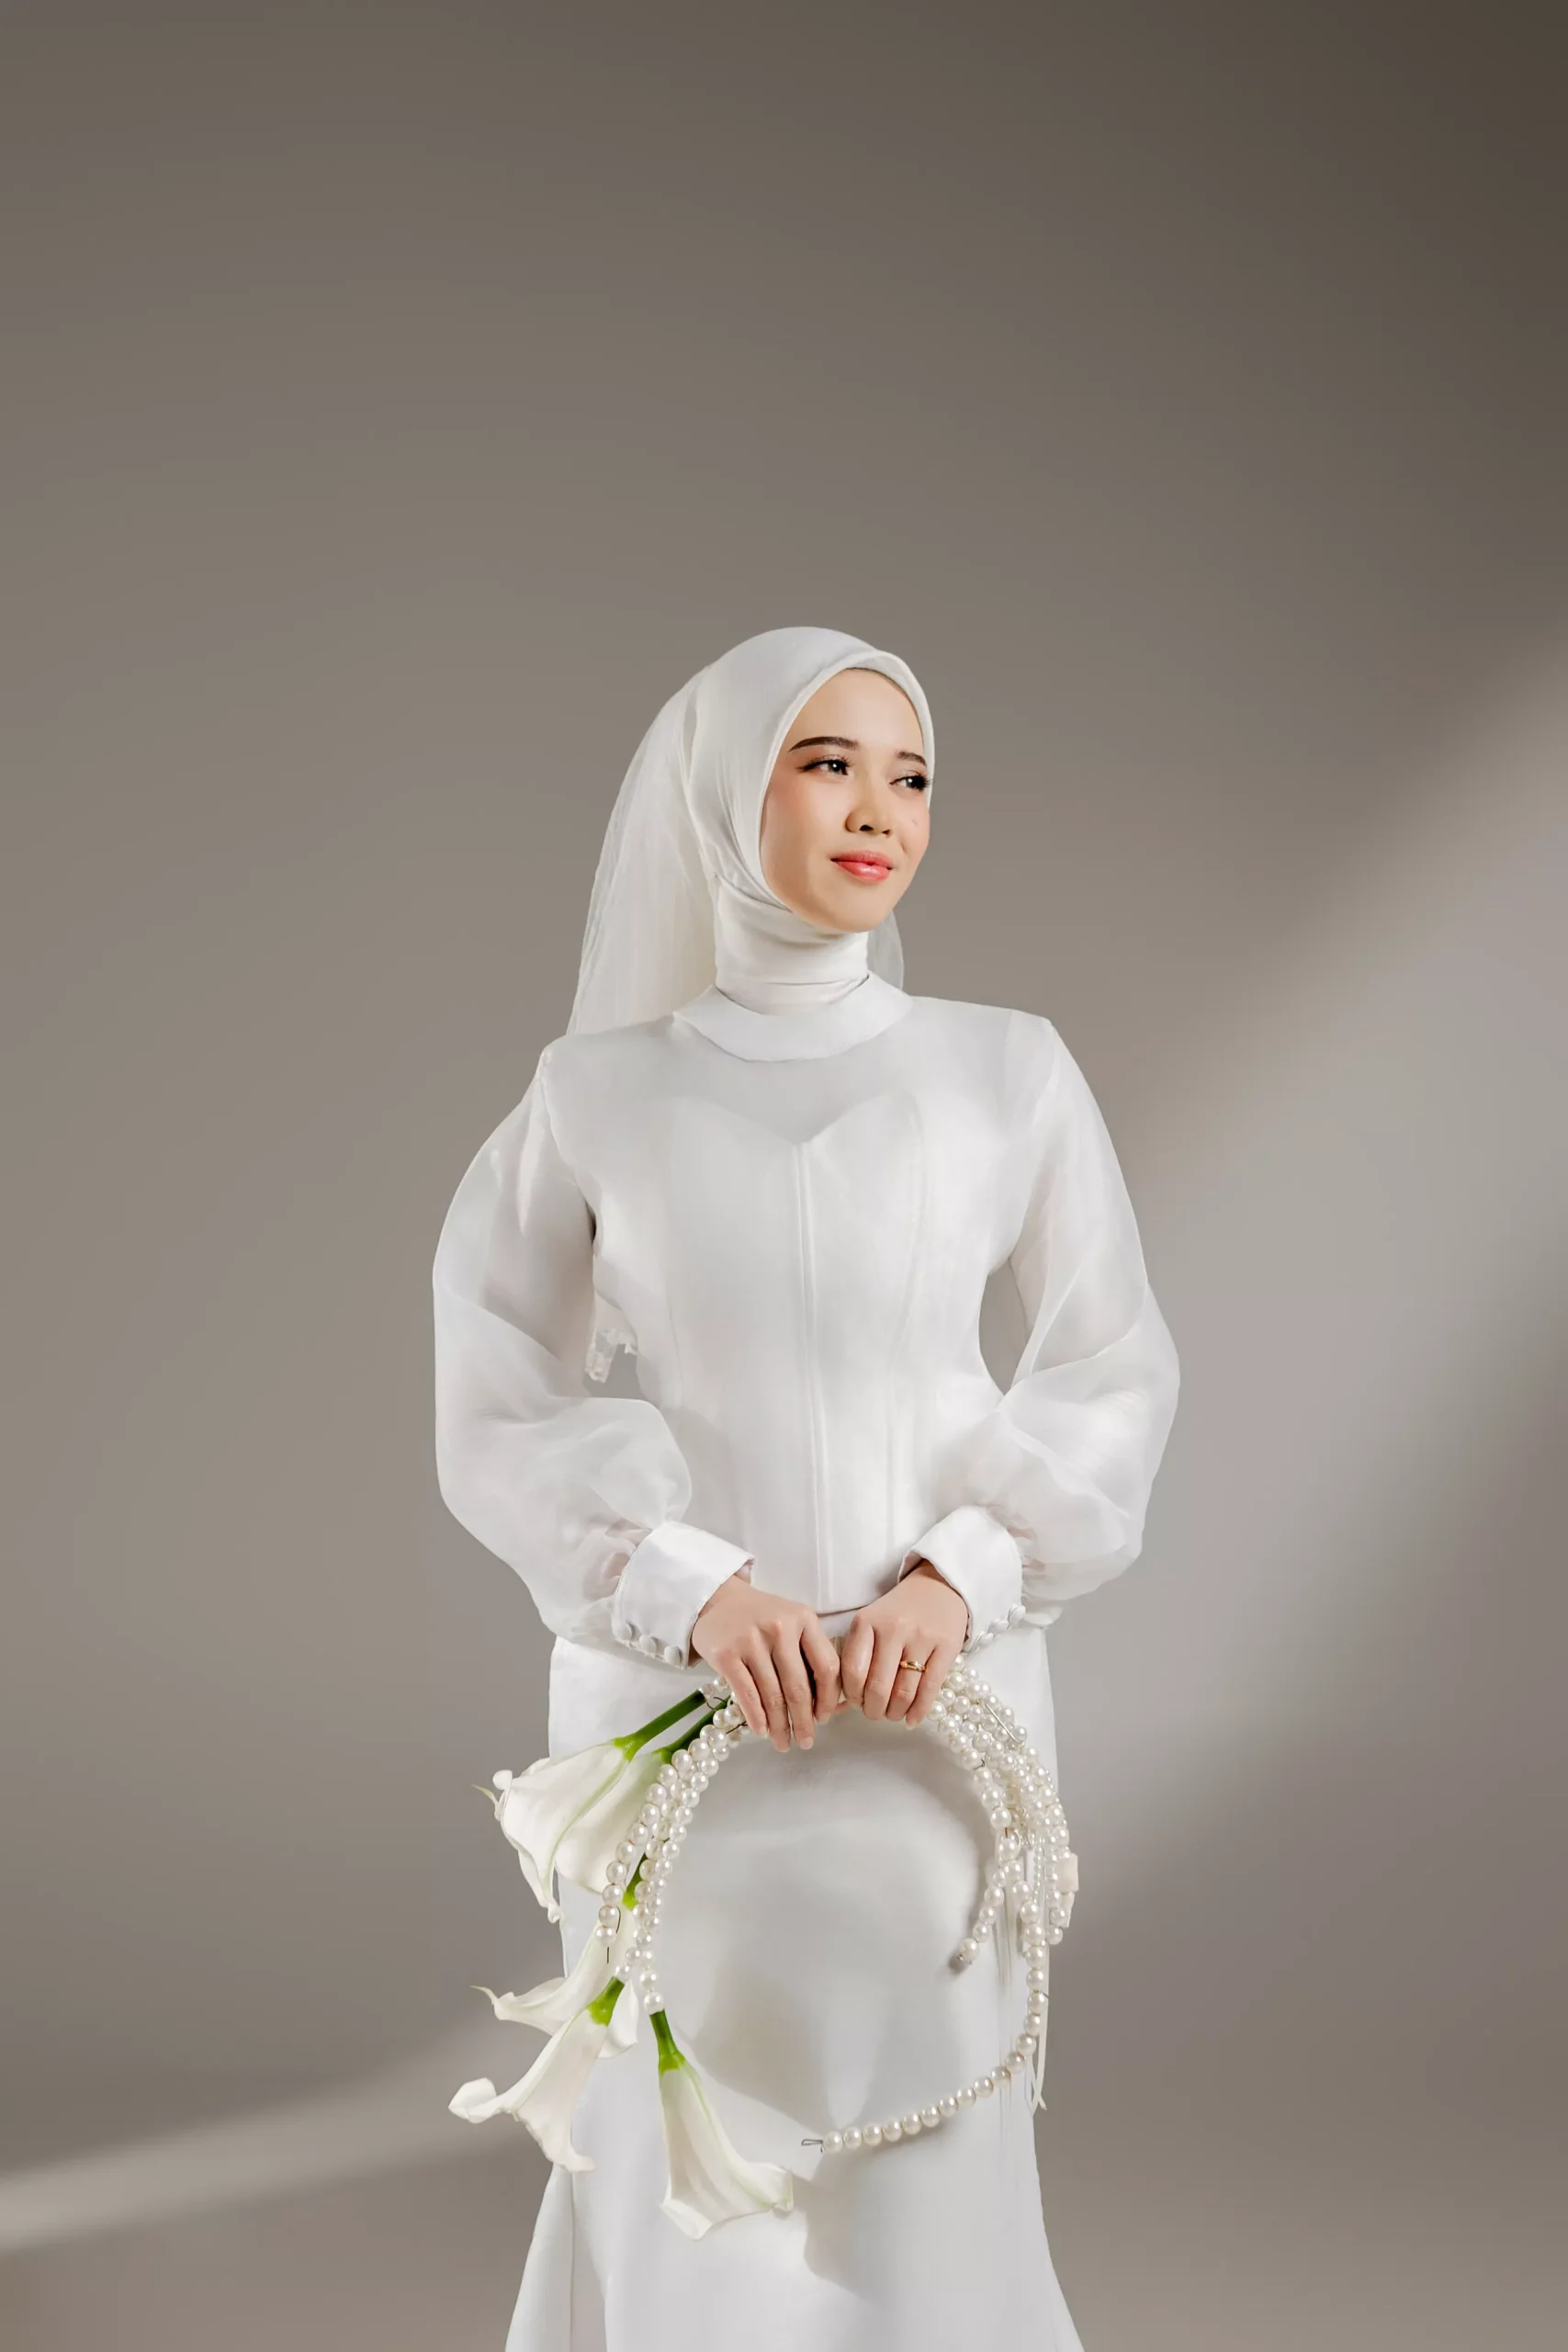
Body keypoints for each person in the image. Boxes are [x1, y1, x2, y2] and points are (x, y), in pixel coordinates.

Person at [432, 626, 1179, 2349]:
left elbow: (1111, 1365)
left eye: (908, 776)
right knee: (681, 2148)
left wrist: (963, 1574)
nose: (877, 811)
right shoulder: (592, 1092)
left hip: (939, 1710)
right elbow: (492, 1392)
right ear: (723, 792)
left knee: (928, 2169)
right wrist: (683, 1584)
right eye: (825, 763)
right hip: (678, 1708)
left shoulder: (1007, 1068)